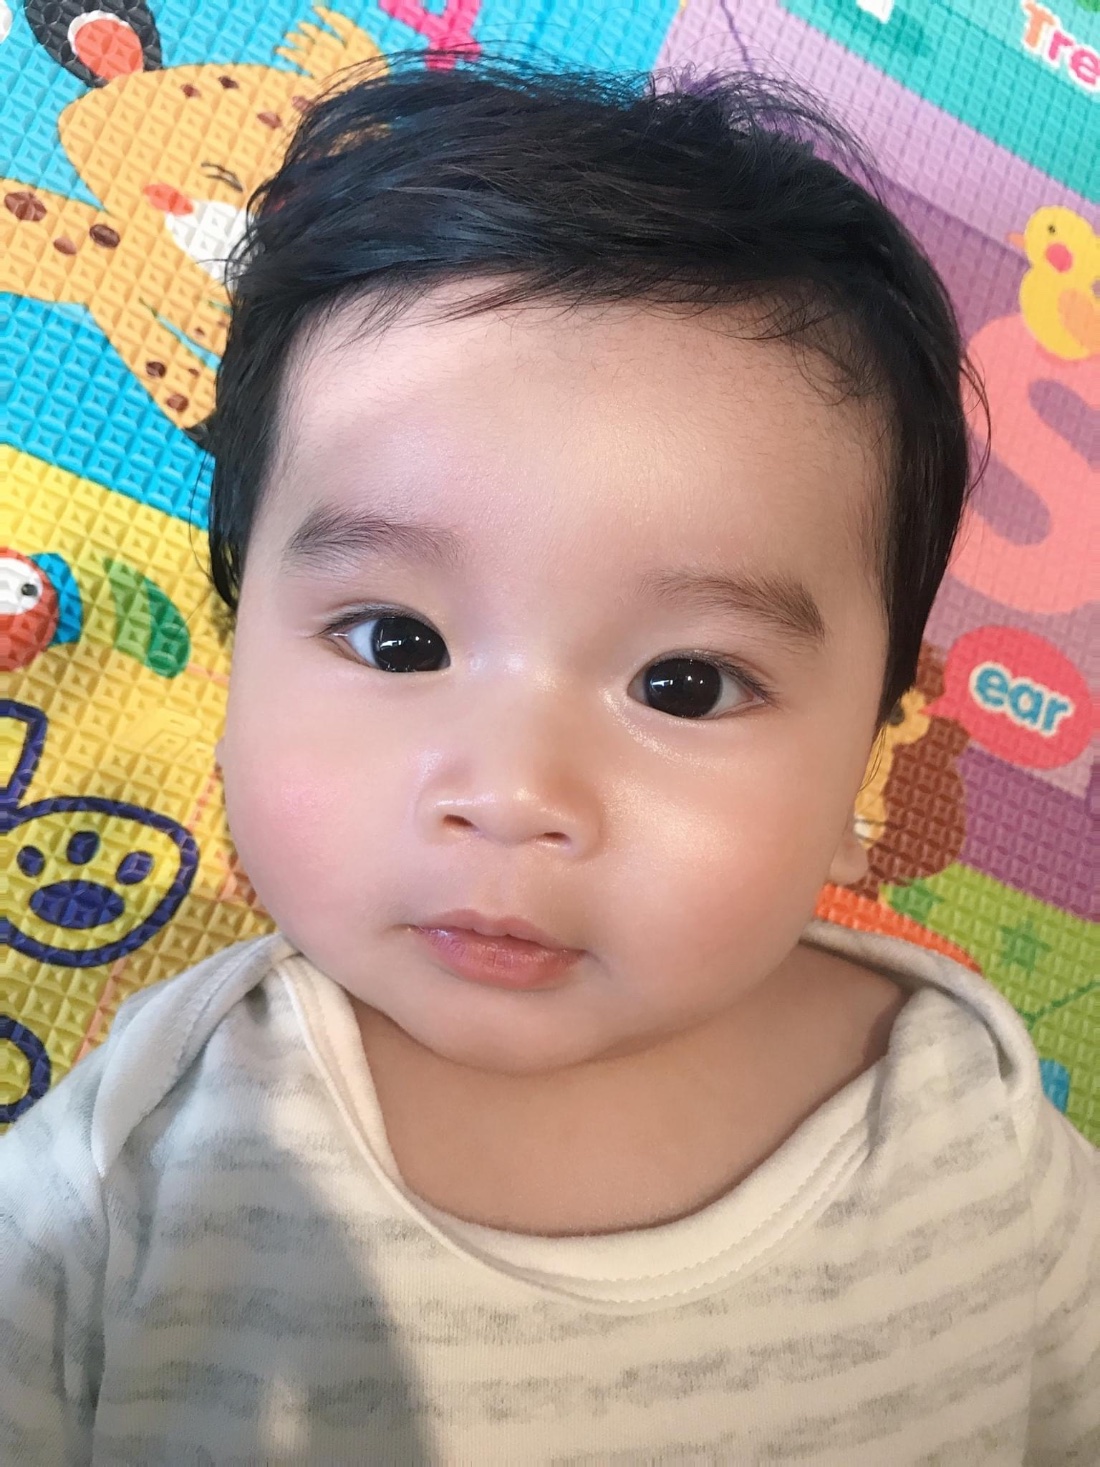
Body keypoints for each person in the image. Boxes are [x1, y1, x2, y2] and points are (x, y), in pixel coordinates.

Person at [2, 49, 1095, 1464]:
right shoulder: (146, 1146)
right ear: (240, 658)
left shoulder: (980, 1142)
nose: (512, 793)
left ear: (866, 773)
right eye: (397, 641)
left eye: (686, 684)